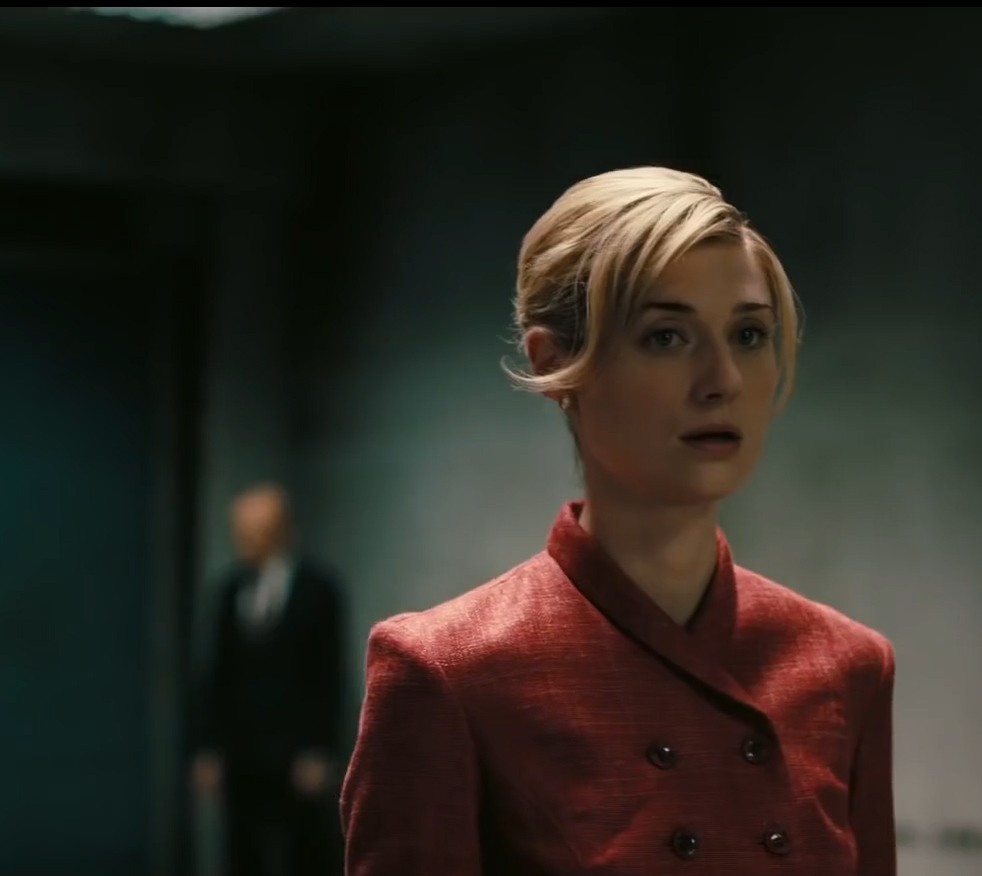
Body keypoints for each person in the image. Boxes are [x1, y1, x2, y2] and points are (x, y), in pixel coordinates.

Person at [340, 167, 897, 875]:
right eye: (666, 337)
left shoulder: (845, 666)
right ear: (557, 365)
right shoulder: (449, 673)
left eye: (750, 334)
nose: (722, 378)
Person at [193, 482, 347, 876]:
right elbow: (218, 673)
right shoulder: (230, 590)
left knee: (306, 852)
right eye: (240, 530)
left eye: (254, 531)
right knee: (242, 852)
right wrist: (209, 746)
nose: (244, 540)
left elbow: (328, 673)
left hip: (295, 751)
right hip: (242, 751)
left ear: (280, 531)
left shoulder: (318, 590)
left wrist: (320, 748)